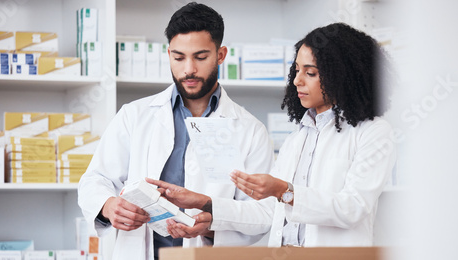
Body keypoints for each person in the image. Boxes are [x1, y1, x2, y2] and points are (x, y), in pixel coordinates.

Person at [147, 22, 396, 247]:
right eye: (296, 70)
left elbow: (353, 207)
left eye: (310, 73)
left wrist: (283, 191)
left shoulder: (372, 132)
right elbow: (268, 213)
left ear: (343, 76)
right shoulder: (298, 137)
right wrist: (204, 204)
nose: (297, 80)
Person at [77, 2, 274, 260]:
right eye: (179, 57)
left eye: (200, 57)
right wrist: (108, 206)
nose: (188, 69)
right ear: (168, 53)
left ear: (221, 55)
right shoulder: (134, 115)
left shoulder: (250, 130)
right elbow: (95, 179)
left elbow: (262, 214)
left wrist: (214, 224)